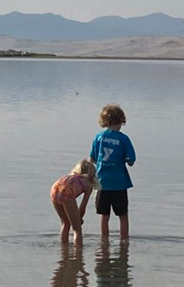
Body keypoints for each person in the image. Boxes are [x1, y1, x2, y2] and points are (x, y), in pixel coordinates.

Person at [90, 104, 136, 239]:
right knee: (123, 215)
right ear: (121, 120)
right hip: (119, 183)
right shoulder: (123, 139)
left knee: (104, 216)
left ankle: (104, 243)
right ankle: (124, 242)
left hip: (102, 183)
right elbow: (131, 161)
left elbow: (92, 158)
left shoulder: (99, 137)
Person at [50, 159, 99, 245]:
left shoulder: (70, 177)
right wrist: (79, 219)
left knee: (65, 223)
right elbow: (83, 207)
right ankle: (78, 253)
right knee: (77, 229)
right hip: (67, 193)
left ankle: (64, 249)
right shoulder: (88, 185)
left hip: (54, 190)